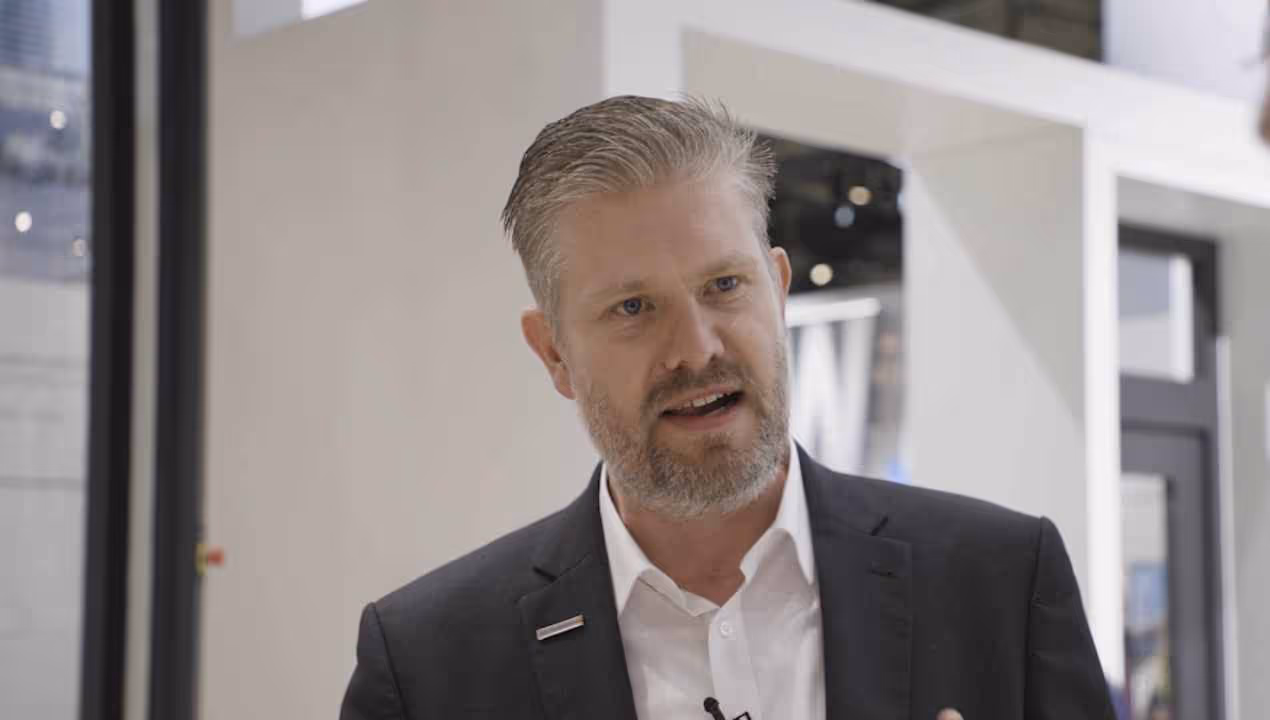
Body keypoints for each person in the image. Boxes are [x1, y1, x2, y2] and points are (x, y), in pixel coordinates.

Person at [339, 96, 1116, 720]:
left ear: (778, 288)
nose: (697, 348)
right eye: (634, 307)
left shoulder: (999, 584)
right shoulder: (429, 664)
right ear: (554, 354)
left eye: (724, 286)